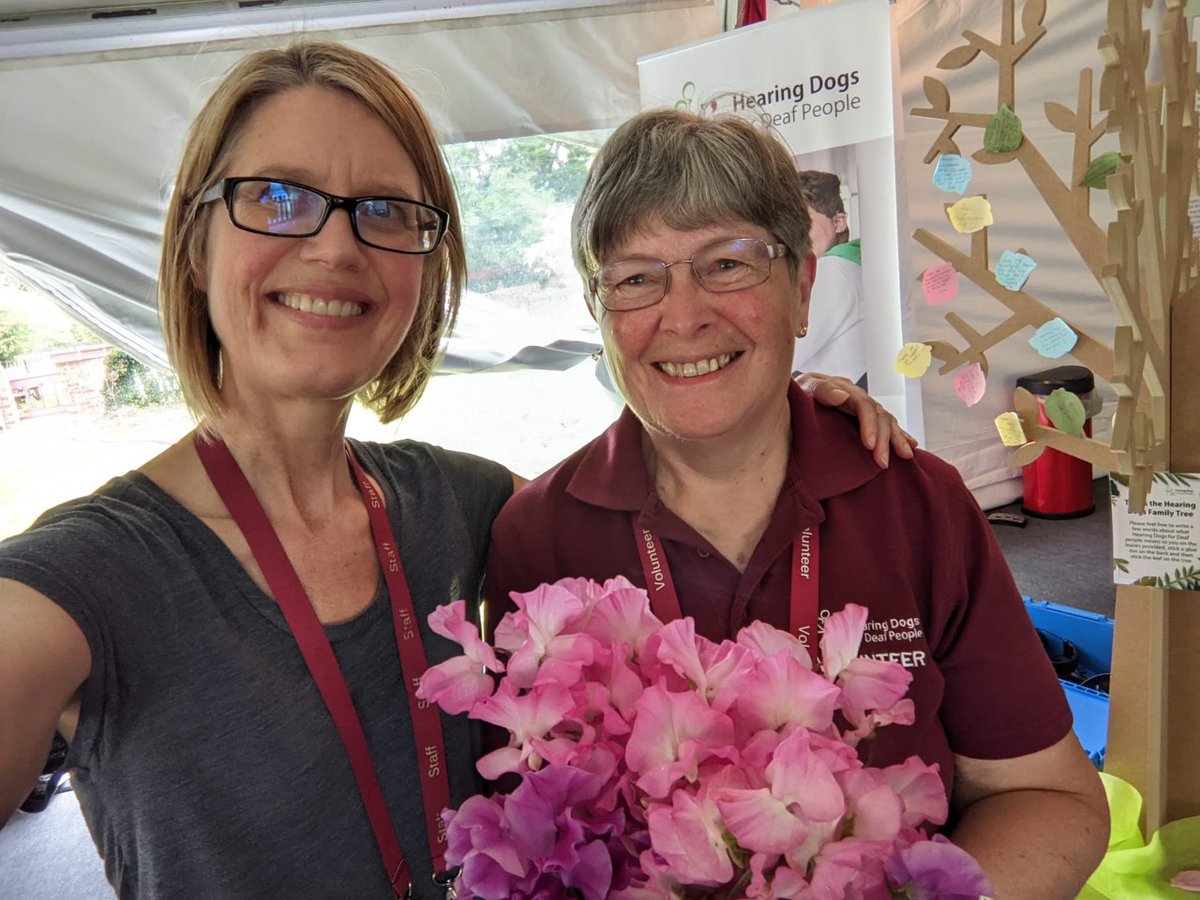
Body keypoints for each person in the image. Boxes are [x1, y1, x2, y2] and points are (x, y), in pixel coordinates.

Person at [0, 42, 914, 899]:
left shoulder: (456, 502)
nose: (335, 246)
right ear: (195, 243)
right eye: (277, 197)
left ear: (425, 272)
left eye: (387, 210)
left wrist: (785, 408)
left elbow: (658, 472)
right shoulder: (88, 577)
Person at [485, 108, 1109, 899]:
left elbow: (1049, 797)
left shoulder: (915, 501)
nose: (683, 316)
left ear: (804, 287)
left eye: (729, 263)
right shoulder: (538, 541)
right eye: (636, 278)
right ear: (598, 314)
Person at [790, 169, 868, 387]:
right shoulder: (858, 261)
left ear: (838, 223)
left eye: (805, 223)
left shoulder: (834, 269)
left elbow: (787, 352)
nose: (796, 236)